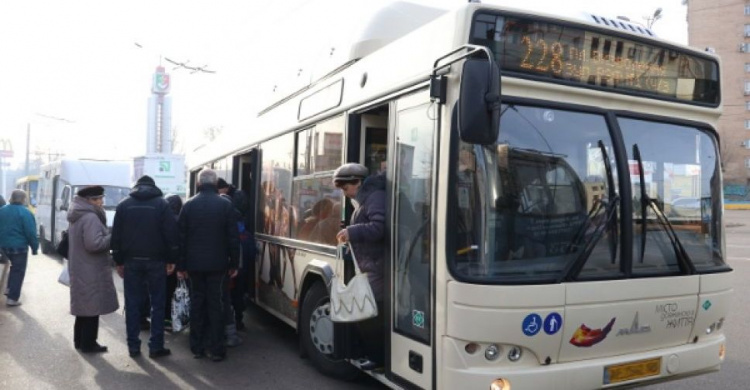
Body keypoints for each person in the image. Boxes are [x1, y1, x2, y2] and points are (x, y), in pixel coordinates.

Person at [111, 175, 178, 358]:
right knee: (157, 304)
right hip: (156, 262)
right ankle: (156, 346)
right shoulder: (162, 205)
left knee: (132, 304)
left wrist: (119, 261)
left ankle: (133, 347)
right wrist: (171, 259)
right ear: (153, 187)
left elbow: (116, 237)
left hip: (131, 261)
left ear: (136, 186)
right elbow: (170, 236)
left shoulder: (124, 205)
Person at [178, 168, 240, 362]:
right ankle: (217, 349)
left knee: (197, 303)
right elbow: (233, 237)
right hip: (218, 265)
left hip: (194, 265)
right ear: (215, 184)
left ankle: (197, 347)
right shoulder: (225, 205)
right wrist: (234, 263)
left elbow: (181, 239)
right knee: (216, 305)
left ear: (198, 184)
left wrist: (181, 266)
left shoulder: (188, 205)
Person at [333, 163, 386, 370]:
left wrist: (352, 232)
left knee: (367, 314)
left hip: (377, 266)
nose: (345, 194)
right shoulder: (366, 199)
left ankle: (378, 359)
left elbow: (379, 227)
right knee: (367, 312)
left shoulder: (374, 197)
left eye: (346, 189)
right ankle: (374, 356)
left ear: (358, 182)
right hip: (372, 265)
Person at [67, 186, 119, 353]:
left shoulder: (78, 215)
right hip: (91, 268)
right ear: (87, 201)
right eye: (97, 199)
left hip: (81, 266)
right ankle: (89, 343)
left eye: (101, 198)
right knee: (92, 307)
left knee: (83, 306)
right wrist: (112, 237)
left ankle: (80, 341)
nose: (101, 202)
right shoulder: (90, 217)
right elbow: (94, 244)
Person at [0, 190, 39, 306]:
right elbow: (31, 233)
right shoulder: (25, 213)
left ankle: (9, 288)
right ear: (23, 199)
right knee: (18, 270)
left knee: (13, 267)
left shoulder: (2, 211)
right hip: (19, 247)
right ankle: (12, 298)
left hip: (3, 246)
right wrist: (35, 247)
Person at [164, 193, 184, 332]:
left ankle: (166, 319)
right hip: (179, 263)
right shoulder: (182, 221)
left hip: (165, 263)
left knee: (165, 293)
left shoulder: (163, 220)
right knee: (179, 293)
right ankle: (178, 318)